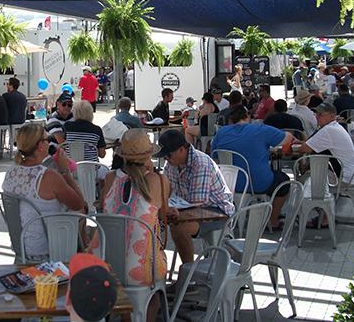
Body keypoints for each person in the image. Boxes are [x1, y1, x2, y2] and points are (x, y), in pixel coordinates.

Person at [100, 128, 168, 322]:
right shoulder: (158, 181)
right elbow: (163, 216)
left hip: (109, 264)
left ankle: (126, 317)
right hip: (141, 270)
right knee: (154, 294)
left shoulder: (110, 178)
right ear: (149, 156)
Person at [2, 123, 87, 260]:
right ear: (40, 146)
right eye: (48, 139)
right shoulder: (48, 176)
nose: (50, 142)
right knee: (82, 213)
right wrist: (65, 171)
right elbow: (79, 204)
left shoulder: (11, 172)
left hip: (21, 245)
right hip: (48, 248)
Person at [211, 105, 294, 229]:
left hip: (229, 184)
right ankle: (273, 219)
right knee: (284, 182)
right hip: (258, 183)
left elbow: (215, 156)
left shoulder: (221, 132)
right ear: (247, 116)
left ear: (230, 120)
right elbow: (287, 138)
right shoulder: (260, 129)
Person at [158, 130, 234, 264]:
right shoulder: (171, 164)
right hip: (189, 208)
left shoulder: (200, 164)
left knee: (179, 229)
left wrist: (172, 210)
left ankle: (189, 274)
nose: (166, 160)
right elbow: (165, 189)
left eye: (168, 155)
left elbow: (197, 202)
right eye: (164, 157)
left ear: (181, 150)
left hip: (216, 211)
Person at [296, 102, 354, 227]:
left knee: (300, 181)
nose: (317, 117)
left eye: (321, 115)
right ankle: (323, 213)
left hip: (343, 177)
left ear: (332, 116)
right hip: (351, 173)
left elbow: (304, 149)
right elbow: (311, 144)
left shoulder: (328, 130)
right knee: (313, 174)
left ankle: (319, 215)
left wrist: (298, 144)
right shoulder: (335, 127)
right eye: (316, 114)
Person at [63, 100, 107, 164]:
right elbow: (102, 154)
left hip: (71, 168)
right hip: (92, 168)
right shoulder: (96, 130)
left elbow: (65, 146)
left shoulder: (67, 126)